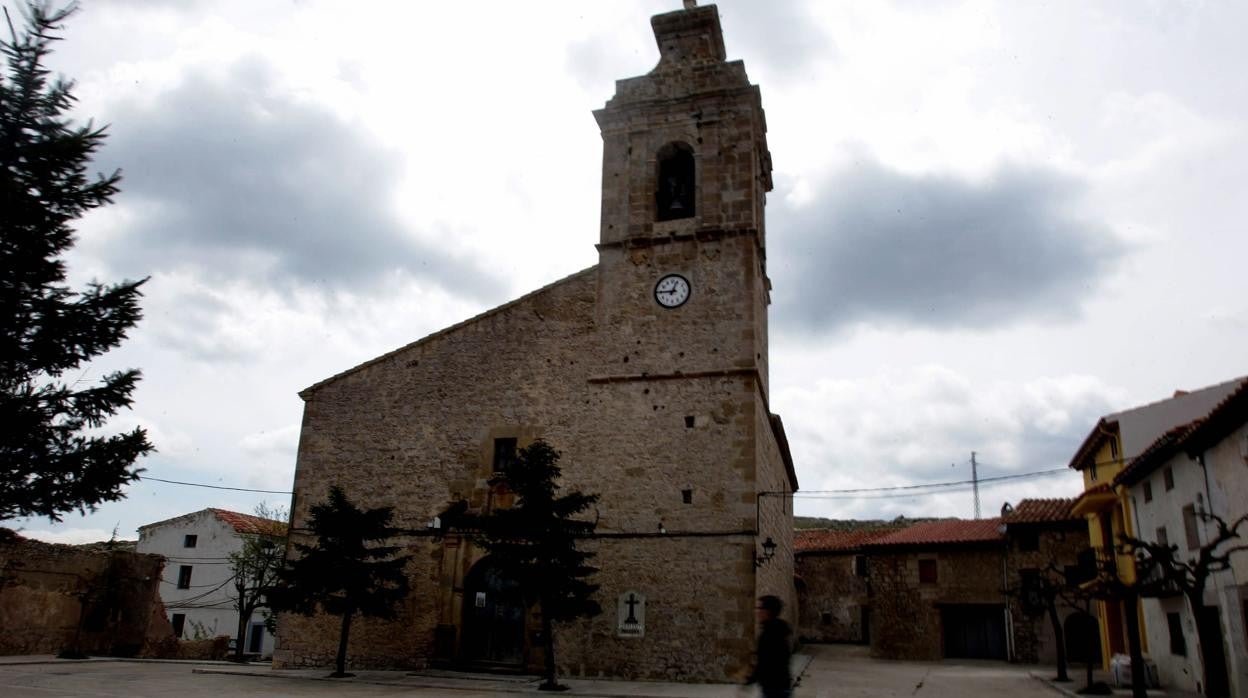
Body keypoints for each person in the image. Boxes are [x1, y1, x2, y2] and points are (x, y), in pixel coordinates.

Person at [747, 594, 793, 698]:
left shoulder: (769, 634)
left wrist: (750, 680)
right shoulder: (779, 630)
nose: (756, 611)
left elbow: (765, 663)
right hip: (780, 686)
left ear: (767, 611)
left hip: (773, 688)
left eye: (759, 608)